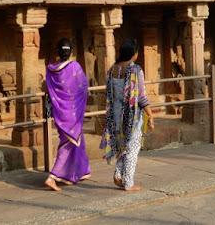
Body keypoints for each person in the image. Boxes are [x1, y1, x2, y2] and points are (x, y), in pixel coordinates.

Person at [100, 38, 155, 192]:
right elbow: (142, 97)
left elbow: (109, 93)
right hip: (132, 116)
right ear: (134, 54)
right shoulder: (135, 70)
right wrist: (150, 115)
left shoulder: (112, 69)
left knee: (123, 146)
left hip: (115, 115)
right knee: (132, 148)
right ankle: (128, 182)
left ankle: (118, 174)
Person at [44, 38, 91, 191]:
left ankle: (73, 174)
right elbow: (83, 87)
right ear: (71, 52)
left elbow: (49, 89)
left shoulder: (51, 70)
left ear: (57, 52)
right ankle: (52, 177)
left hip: (60, 113)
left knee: (75, 142)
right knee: (68, 145)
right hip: (73, 113)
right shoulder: (75, 67)